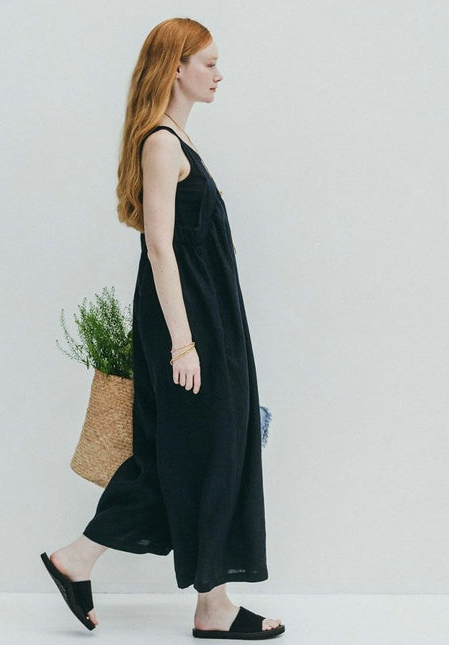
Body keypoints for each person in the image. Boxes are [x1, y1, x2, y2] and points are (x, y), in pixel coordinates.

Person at [41, 17, 285, 640]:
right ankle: (213, 607)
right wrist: (183, 342)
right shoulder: (161, 144)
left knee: (186, 453)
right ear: (176, 68)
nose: (219, 74)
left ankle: (80, 560)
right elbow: (159, 248)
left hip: (210, 319)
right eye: (209, 63)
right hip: (188, 324)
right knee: (207, 452)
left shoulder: (177, 140)